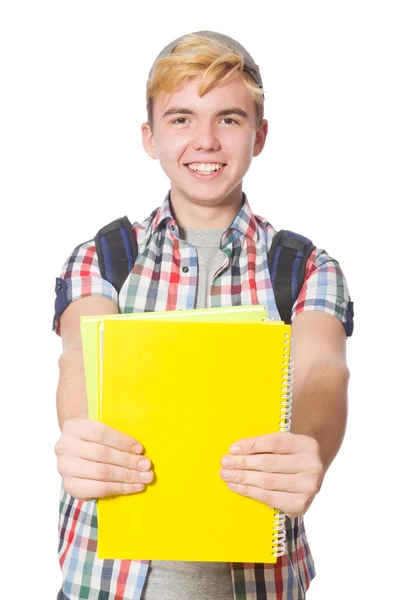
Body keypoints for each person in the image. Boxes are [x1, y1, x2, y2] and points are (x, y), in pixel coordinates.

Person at [53, 30, 353, 600]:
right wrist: (81, 437)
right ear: (150, 137)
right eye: (182, 118)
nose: (207, 141)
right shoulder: (102, 257)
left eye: (230, 119)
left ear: (259, 135)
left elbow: (323, 372)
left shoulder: (306, 268)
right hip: (107, 583)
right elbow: (80, 360)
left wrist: (306, 447)